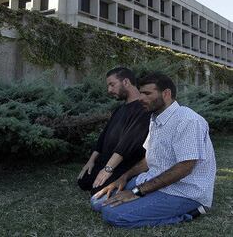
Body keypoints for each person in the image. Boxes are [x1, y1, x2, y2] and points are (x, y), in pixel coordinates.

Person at [91, 72, 216, 228]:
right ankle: (145, 199)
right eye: (141, 92)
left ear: (166, 94)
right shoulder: (155, 117)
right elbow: (150, 158)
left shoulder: (188, 120)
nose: (141, 98)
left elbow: (185, 168)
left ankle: (190, 213)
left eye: (147, 93)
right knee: (97, 202)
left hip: (183, 191)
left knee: (114, 215)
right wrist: (124, 177)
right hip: (154, 179)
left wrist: (137, 192)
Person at [77, 67, 150, 195]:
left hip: (124, 163)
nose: (109, 90)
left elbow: (128, 143)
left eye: (112, 84)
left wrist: (108, 169)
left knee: (98, 190)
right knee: (83, 182)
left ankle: (128, 181)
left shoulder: (142, 109)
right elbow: (104, 135)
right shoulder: (119, 109)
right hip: (107, 159)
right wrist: (91, 160)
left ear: (126, 82)